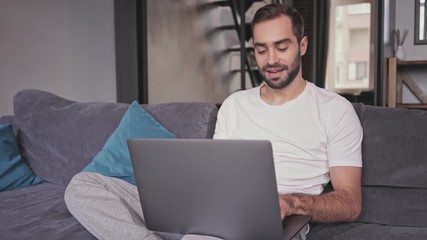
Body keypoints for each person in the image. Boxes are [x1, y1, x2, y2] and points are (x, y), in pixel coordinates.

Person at [65, 3, 362, 240]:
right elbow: (218, 177)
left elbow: (350, 202)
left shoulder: (334, 110)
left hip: (278, 221)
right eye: (261, 49)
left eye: (281, 47)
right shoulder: (234, 105)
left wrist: (291, 203)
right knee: (81, 186)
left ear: (303, 45)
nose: (271, 59)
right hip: (216, 209)